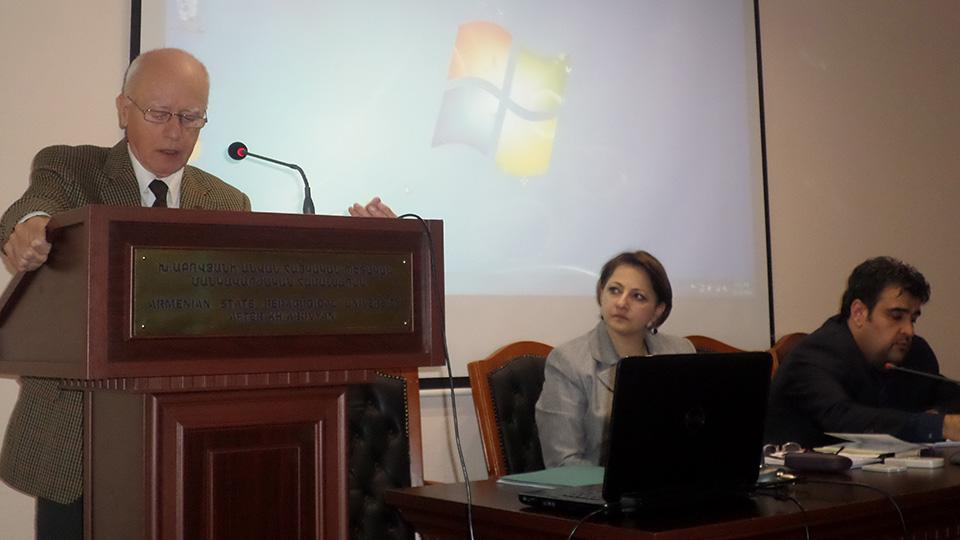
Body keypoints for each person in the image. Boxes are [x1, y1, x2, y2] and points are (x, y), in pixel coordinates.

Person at [0, 47, 392, 539]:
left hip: (194, 445)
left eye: (191, 118)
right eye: (159, 114)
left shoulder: (227, 201)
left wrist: (373, 251)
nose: (175, 132)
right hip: (79, 446)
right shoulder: (72, 168)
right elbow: (35, 205)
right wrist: (29, 226)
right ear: (123, 109)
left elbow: (255, 309)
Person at [765, 256, 960, 448]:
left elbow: (950, 395)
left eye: (913, 319)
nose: (909, 330)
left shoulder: (915, 352)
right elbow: (843, 418)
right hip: (803, 467)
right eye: (896, 316)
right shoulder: (814, 356)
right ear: (859, 313)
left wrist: (941, 414)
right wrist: (940, 426)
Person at [535, 250, 695, 467]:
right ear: (601, 293)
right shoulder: (568, 362)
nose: (621, 303)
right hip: (598, 486)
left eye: (637, 296)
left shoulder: (680, 352)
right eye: (614, 290)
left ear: (657, 311)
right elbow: (562, 462)